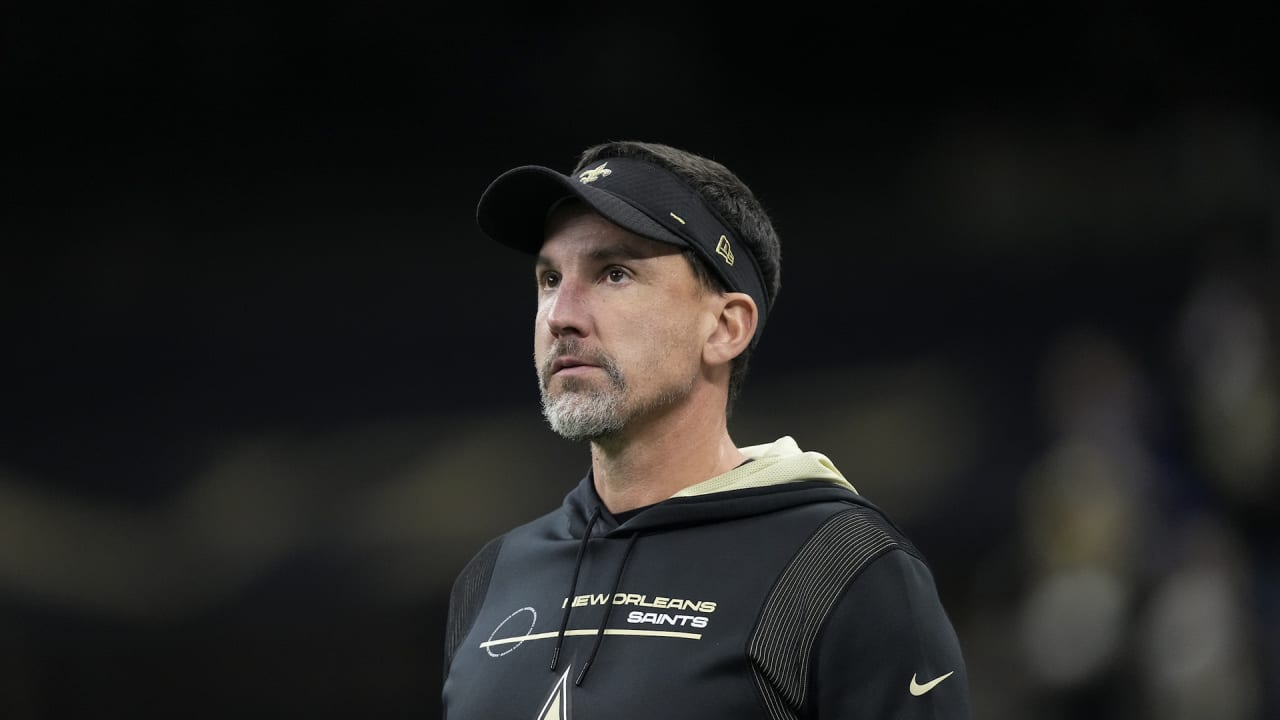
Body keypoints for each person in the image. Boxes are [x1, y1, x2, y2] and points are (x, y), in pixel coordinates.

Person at [442, 140, 971, 719]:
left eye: (614, 274)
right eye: (548, 278)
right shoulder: (492, 577)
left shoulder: (843, 569)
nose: (560, 314)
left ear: (725, 327)